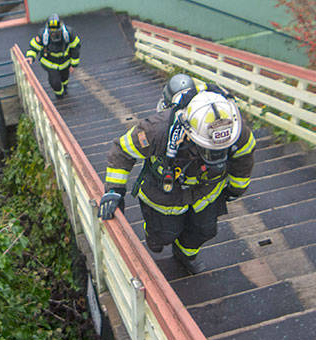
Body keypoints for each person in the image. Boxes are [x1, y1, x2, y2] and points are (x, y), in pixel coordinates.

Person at [98, 90, 255, 275]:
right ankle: (154, 235)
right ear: (190, 133)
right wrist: (114, 190)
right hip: (165, 196)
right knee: (163, 235)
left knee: (204, 230)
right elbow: (122, 151)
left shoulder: (236, 130)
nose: (217, 156)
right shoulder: (157, 131)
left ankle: (185, 256)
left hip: (207, 192)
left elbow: (244, 158)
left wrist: (237, 188)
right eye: (209, 149)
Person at [25, 14, 80, 98]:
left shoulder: (69, 33)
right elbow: (34, 46)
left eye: (57, 32)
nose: (54, 34)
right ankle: (59, 96)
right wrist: (30, 57)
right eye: (52, 32)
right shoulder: (42, 35)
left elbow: (75, 48)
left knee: (64, 78)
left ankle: (64, 88)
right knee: (55, 82)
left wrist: (73, 65)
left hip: (65, 62)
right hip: (50, 63)